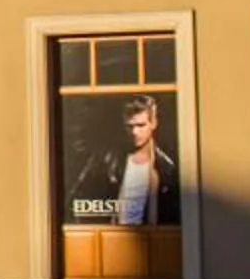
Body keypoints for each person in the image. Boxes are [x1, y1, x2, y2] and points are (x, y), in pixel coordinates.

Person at [76, 94, 177, 226]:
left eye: (141, 125)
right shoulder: (107, 162)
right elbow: (83, 202)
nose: (135, 132)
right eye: (130, 126)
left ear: (153, 123)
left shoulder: (166, 168)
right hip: (113, 235)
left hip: (150, 236)